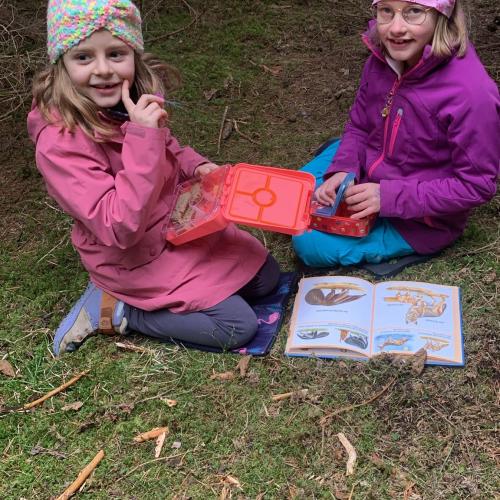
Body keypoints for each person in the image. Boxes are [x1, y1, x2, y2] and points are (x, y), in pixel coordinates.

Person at [28, 0, 280, 356]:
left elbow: (169, 148)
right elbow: (119, 226)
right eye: (83, 57)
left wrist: (197, 167)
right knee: (237, 326)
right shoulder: (60, 143)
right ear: (61, 63)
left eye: (116, 54)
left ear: (134, 54)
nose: (103, 70)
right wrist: (144, 138)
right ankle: (119, 310)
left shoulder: (125, 102)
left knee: (267, 278)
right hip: (132, 256)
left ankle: (192, 288)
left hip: (176, 229)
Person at [293, 0, 499, 267]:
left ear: (442, 14)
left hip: (416, 219)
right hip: (371, 169)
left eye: (414, 11)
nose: (396, 28)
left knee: (309, 243)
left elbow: (476, 185)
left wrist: (387, 197)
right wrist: (344, 169)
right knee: (293, 195)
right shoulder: (381, 58)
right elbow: (359, 126)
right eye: (386, 11)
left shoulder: (471, 94)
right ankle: (339, 160)